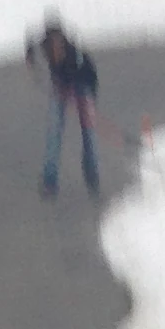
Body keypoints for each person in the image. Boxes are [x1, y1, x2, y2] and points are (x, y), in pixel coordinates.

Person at [27, 17, 101, 199]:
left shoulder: (73, 52)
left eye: (58, 39)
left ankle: (92, 176)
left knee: (88, 135)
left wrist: (80, 97)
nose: (55, 44)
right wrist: (30, 57)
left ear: (63, 38)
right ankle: (49, 182)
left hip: (83, 86)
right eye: (52, 40)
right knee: (53, 134)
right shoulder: (44, 45)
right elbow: (32, 52)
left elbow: (83, 75)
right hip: (61, 87)